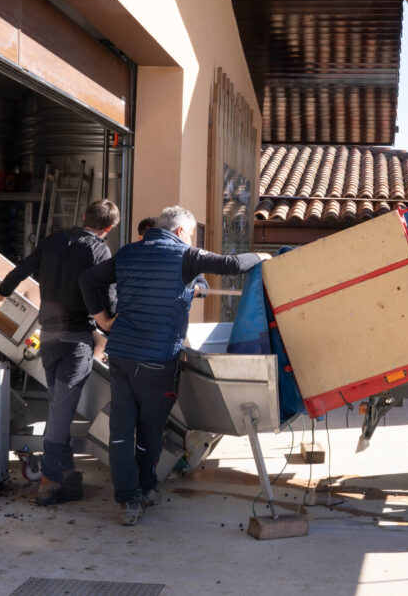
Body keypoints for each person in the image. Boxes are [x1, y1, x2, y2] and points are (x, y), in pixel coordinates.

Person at [80, 205, 270, 526]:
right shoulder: (185, 255)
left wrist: (103, 319)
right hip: (157, 361)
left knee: (121, 430)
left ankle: (128, 501)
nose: (192, 240)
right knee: (150, 431)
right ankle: (146, 488)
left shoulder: (128, 252)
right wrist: (262, 257)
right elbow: (234, 264)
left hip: (122, 355)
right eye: (192, 235)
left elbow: (88, 279)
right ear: (180, 232)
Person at [0, 199, 119, 506]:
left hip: (49, 340)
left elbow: (21, 270)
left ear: (83, 217)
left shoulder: (53, 241)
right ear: (108, 228)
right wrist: (113, 321)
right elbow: (107, 293)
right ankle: (50, 483)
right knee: (61, 413)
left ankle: (64, 473)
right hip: (76, 341)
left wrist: (0, 297)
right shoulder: (100, 250)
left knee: (59, 408)